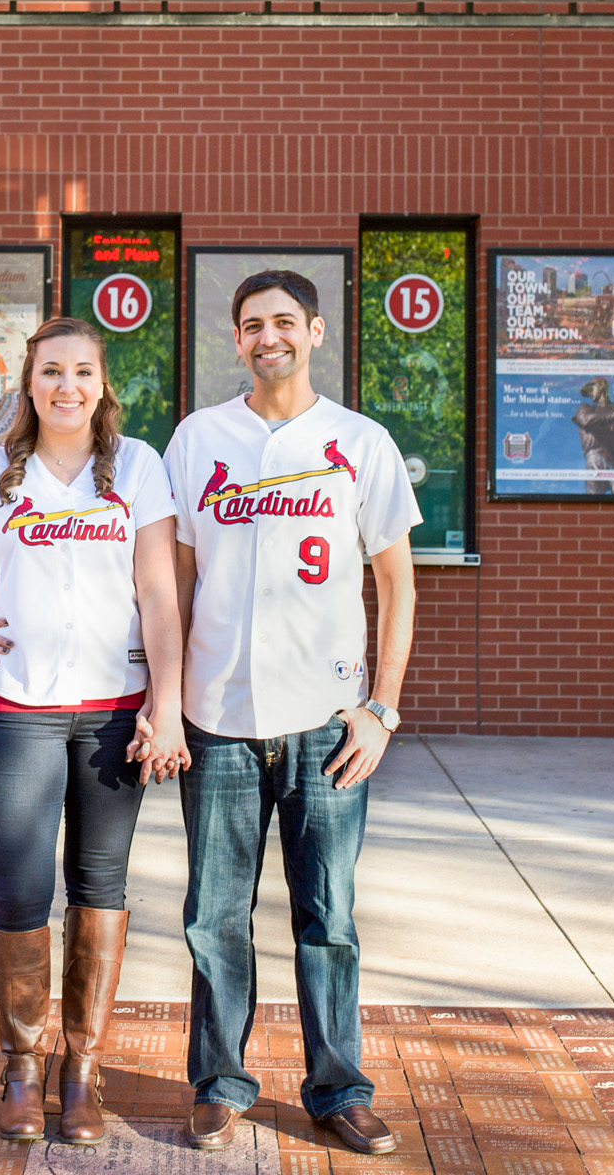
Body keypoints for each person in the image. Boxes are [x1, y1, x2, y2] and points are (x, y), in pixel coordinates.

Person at [0, 316, 189, 1145]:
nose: (68, 385)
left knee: (100, 889)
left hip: (113, 712)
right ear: (29, 385)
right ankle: (23, 1068)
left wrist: (166, 705)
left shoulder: (138, 466)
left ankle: (81, 1072)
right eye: (52, 371)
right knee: (21, 894)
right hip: (17, 711)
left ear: (102, 385)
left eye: (83, 371)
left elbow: (159, 594)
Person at [163, 270, 420, 1155]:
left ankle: (338, 1088)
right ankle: (220, 1083)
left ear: (315, 331)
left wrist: (382, 709)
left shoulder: (361, 442)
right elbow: (177, 583)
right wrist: (167, 702)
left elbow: (397, 583)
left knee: (329, 918)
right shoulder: (199, 439)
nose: (266, 336)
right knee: (214, 918)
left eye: (283, 321)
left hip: (326, 723)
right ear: (236, 339)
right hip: (217, 719)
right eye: (250, 325)